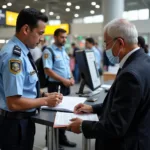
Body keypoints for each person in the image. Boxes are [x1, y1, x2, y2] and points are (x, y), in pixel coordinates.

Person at [68, 18, 150, 150]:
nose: (105, 48)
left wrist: (83, 126)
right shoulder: (143, 61)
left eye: (106, 43)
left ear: (120, 43)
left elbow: (115, 127)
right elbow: (127, 106)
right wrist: (93, 108)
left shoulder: (130, 75)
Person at [0, 8, 63, 150]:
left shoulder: (23, 51)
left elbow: (24, 87)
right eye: (40, 33)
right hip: (14, 125)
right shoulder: (14, 56)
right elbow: (14, 103)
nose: (42, 39)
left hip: (23, 121)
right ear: (26, 29)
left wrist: (43, 95)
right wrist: (46, 101)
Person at [42, 28, 76, 150]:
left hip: (65, 86)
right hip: (56, 86)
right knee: (54, 116)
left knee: (64, 113)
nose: (64, 39)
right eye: (62, 37)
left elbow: (67, 67)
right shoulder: (49, 51)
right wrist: (64, 80)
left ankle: (62, 138)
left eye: (65, 37)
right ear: (55, 37)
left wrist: (71, 77)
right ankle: (50, 141)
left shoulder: (63, 50)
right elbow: (48, 70)